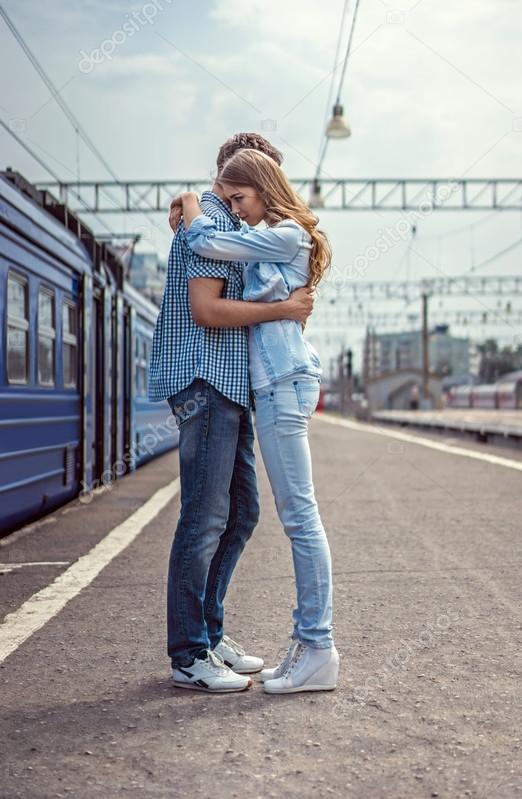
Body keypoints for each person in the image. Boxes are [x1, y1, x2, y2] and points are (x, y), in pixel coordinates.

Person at [148, 133, 315, 693]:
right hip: (206, 381)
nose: (262, 204)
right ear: (237, 180)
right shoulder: (211, 220)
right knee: (204, 516)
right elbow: (206, 308)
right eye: (255, 191)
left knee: (241, 513)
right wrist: (281, 309)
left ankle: (210, 634)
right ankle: (189, 652)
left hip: (231, 386)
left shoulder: (225, 222)